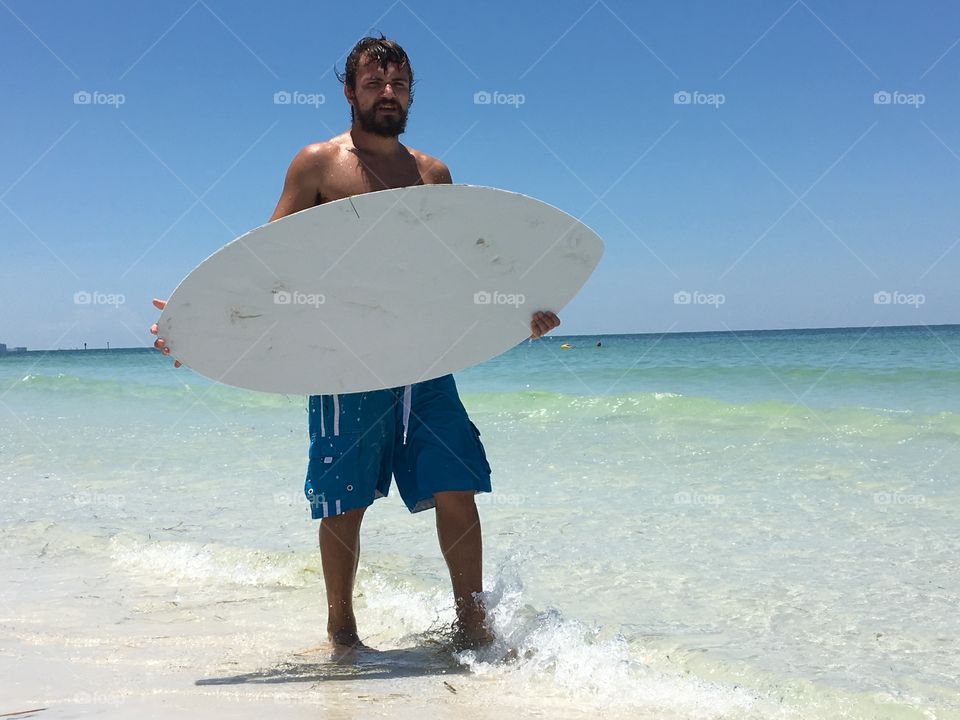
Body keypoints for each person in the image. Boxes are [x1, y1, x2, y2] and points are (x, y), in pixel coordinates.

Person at [151, 35, 560, 651]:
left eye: (397, 84)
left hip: (425, 355)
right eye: (374, 83)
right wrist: (205, 322)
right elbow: (272, 262)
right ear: (350, 91)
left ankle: (472, 627)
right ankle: (343, 632)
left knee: (457, 480)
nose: (387, 93)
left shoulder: (432, 174)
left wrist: (517, 313)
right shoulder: (317, 164)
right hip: (343, 359)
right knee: (344, 500)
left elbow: (460, 271)